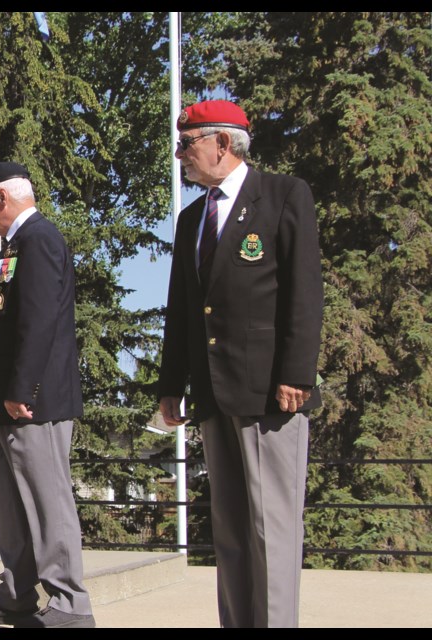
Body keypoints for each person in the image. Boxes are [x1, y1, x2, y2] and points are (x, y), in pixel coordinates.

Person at [157, 100, 324, 628]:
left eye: (188, 144)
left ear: (222, 144)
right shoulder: (191, 219)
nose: (181, 154)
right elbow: (182, 308)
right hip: (211, 391)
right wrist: (171, 384)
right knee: (229, 528)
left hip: (269, 390)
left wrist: (296, 372)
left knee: (271, 526)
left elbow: (303, 291)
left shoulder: (283, 195)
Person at [0, 161, 95, 629]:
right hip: (4, 401)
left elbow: (38, 322)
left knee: (44, 499)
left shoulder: (39, 240)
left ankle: (69, 604)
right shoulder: (14, 245)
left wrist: (22, 388)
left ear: (0, 198)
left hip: (30, 401)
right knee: (11, 504)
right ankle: (16, 596)